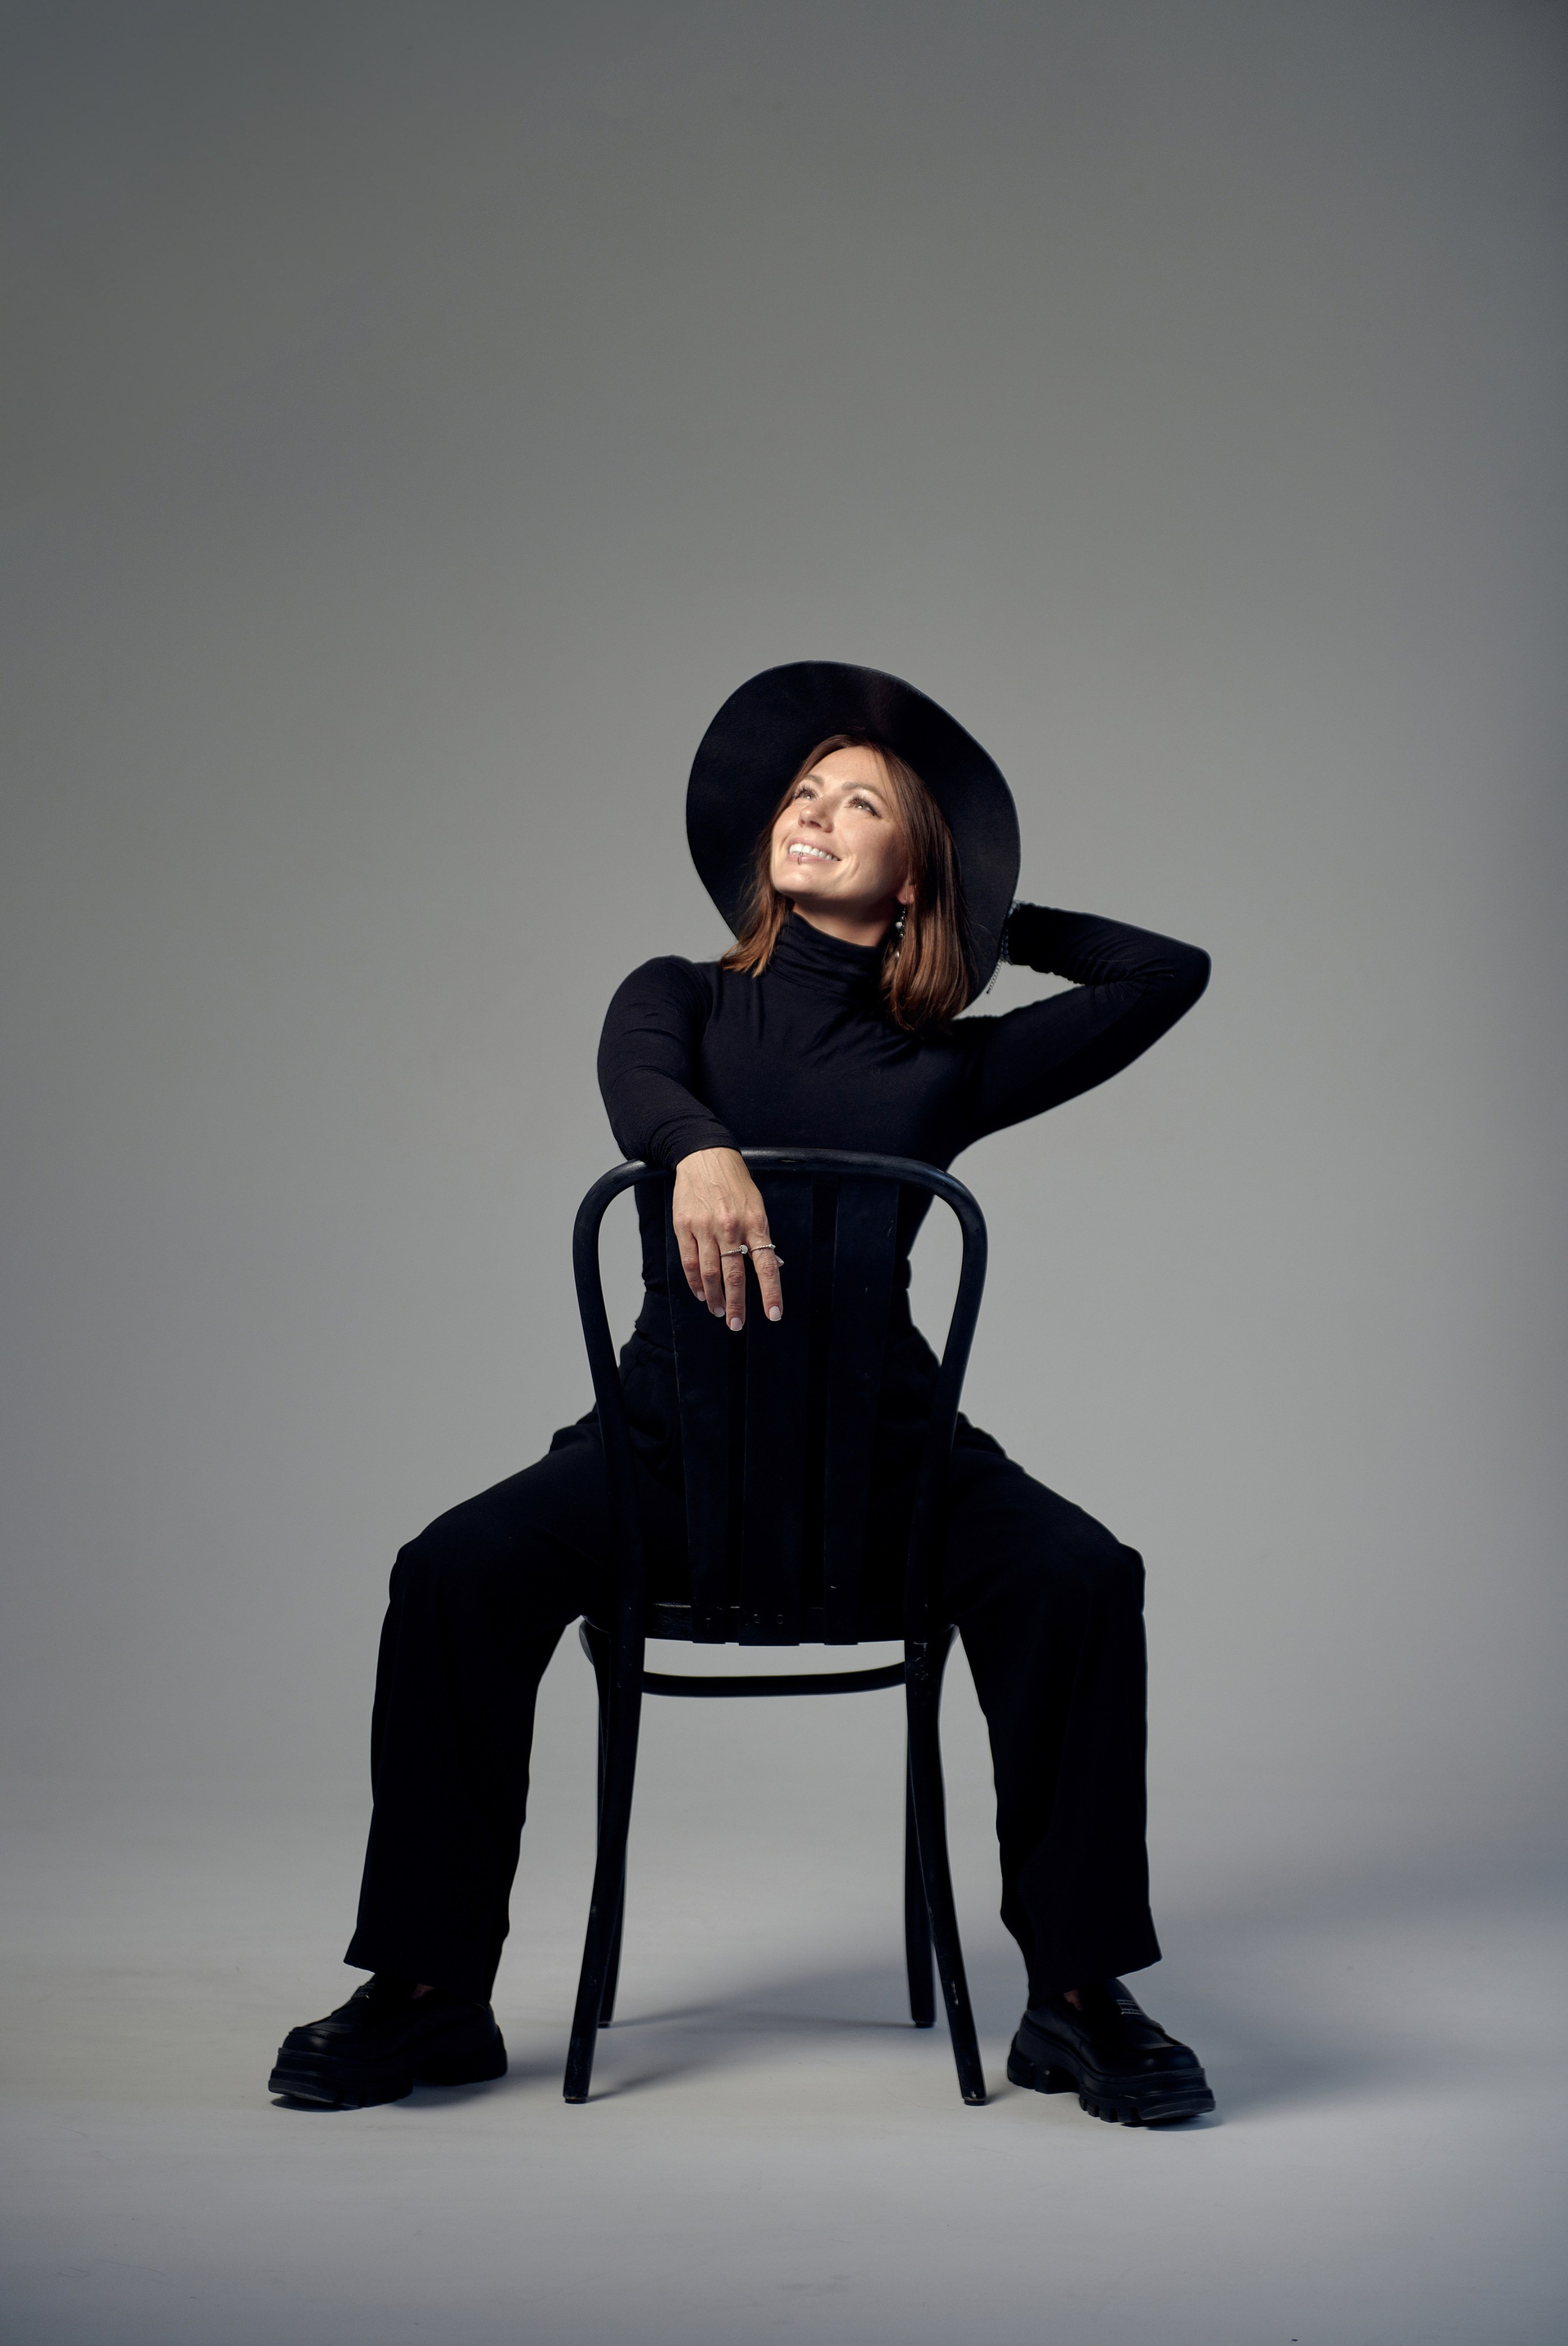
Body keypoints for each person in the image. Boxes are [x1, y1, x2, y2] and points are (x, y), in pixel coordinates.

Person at [269, 661, 1215, 2126]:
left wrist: (988, 911)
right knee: (451, 1572)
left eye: (861, 806)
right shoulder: (679, 999)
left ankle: (1080, 1994)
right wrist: (697, 1148)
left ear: (915, 871)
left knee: (1083, 1577)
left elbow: (1167, 975)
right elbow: (635, 1078)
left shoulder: (949, 1068)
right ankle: (428, 1988)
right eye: (802, 793)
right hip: (664, 1454)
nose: (813, 814)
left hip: (891, 1466)